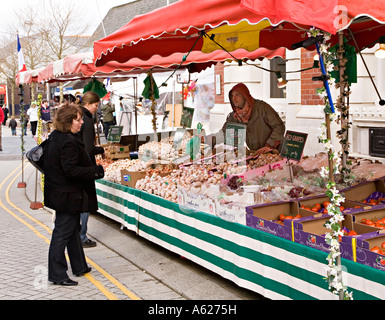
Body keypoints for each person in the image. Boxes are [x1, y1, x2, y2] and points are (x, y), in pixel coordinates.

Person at [43, 103, 104, 286]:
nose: (81, 123)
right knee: (62, 232)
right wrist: (95, 171)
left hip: (60, 193)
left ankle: (79, 266)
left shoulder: (57, 136)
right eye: (78, 120)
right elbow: (71, 170)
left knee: (72, 229)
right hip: (67, 194)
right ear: (69, 121)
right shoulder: (67, 141)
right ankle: (57, 273)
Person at [206, 83, 285, 154]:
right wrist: (207, 139)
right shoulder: (234, 117)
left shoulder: (262, 108)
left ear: (245, 96)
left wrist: (269, 145)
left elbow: (279, 126)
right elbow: (224, 134)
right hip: (256, 152)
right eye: (232, 95)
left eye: (237, 95)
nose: (234, 98)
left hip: (275, 151)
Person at [77, 91, 105, 248]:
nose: (96, 109)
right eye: (95, 105)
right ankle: (82, 235)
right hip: (85, 167)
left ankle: (77, 234)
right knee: (85, 202)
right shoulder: (86, 121)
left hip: (77, 166)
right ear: (88, 104)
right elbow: (88, 148)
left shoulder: (79, 116)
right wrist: (100, 150)